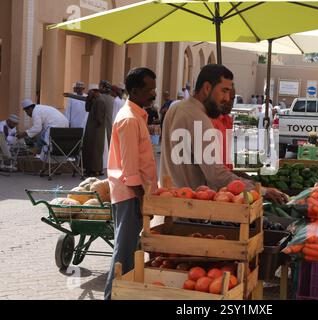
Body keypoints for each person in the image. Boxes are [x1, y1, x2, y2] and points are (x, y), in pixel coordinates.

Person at [160, 64, 287, 204]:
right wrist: (261, 191)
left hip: (170, 200)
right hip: (190, 207)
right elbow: (216, 174)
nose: (227, 98)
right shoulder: (198, 118)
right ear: (207, 88)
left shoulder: (177, 107)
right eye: (224, 91)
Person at [104, 67, 159, 300]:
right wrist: (141, 198)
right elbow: (130, 171)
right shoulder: (128, 119)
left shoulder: (137, 116)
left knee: (129, 251)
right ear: (135, 91)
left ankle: (123, 294)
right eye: (149, 90)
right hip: (130, 195)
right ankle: (111, 295)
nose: (153, 94)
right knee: (124, 252)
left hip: (135, 194)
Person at [82, 84, 107, 177]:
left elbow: (99, 119)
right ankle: (89, 169)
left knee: (95, 150)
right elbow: (87, 109)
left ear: (95, 91)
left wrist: (94, 126)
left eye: (91, 92)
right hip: (92, 129)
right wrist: (89, 99)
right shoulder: (95, 100)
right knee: (89, 149)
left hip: (96, 130)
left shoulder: (100, 101)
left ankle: (95, 170)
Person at [211, 84, 235, 170]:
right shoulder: (211, 122)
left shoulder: (228, 120)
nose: (230, 102)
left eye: (233, 99)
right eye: (226, 98)